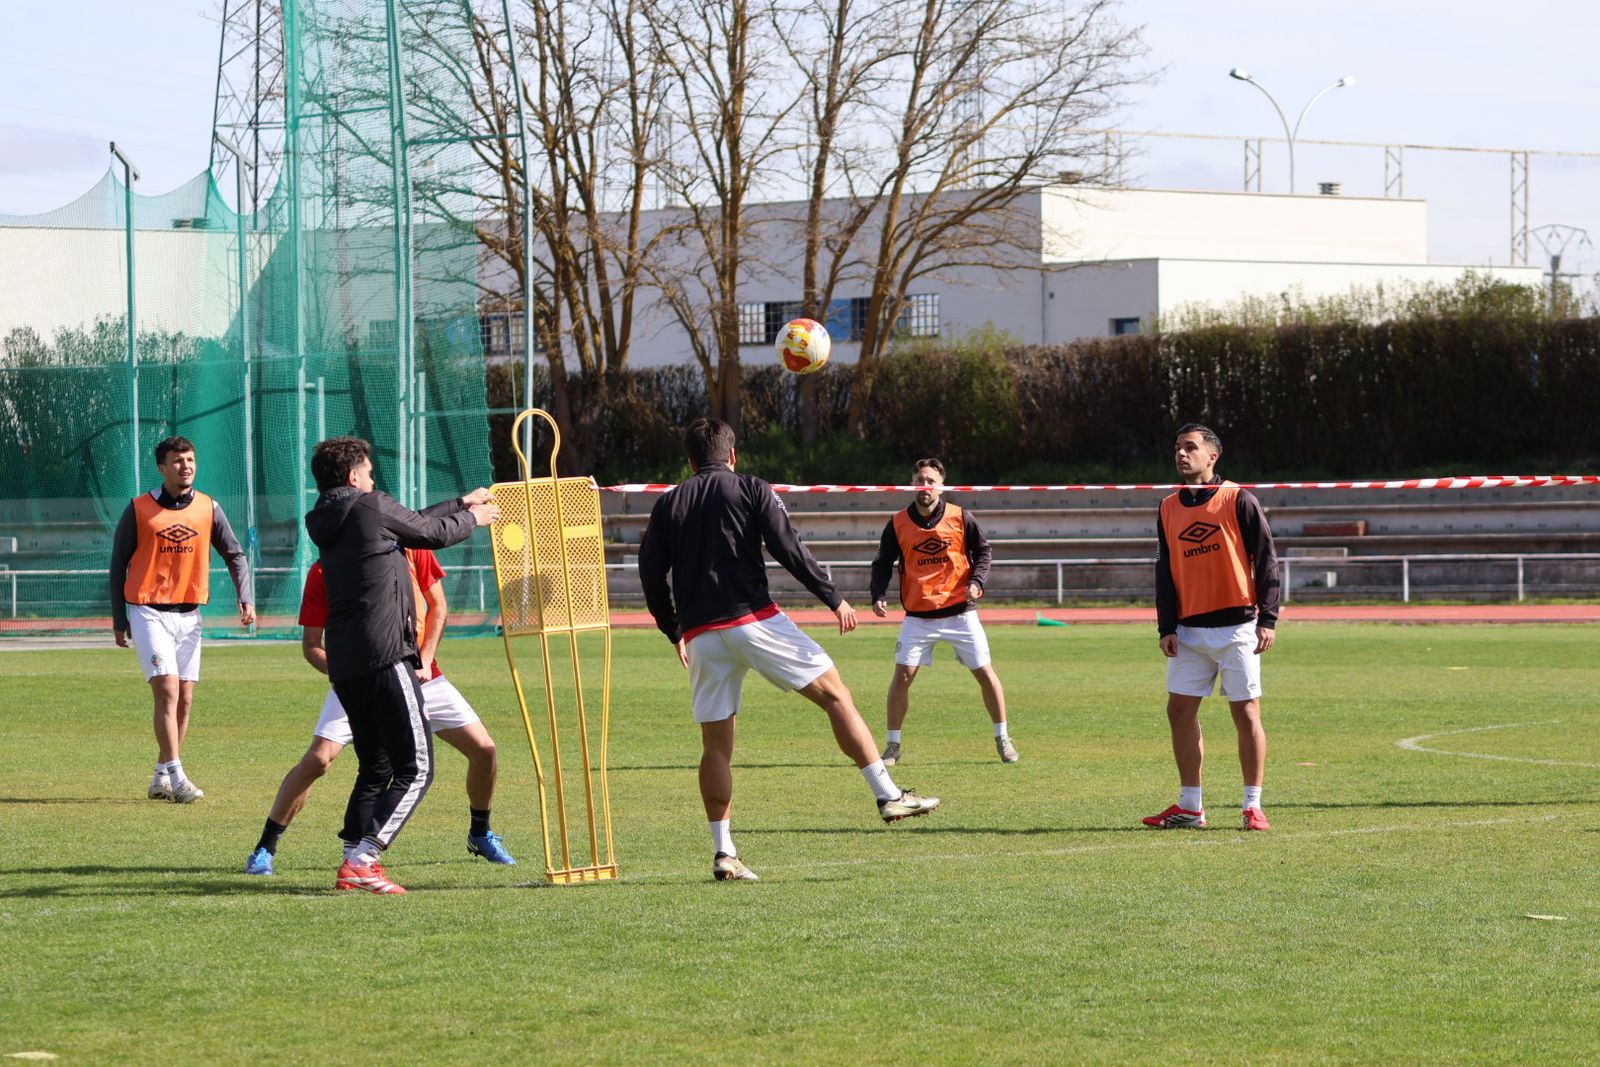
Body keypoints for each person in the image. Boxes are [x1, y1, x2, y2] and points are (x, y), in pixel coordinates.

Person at [638, 417, 939, 883]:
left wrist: (674, 629)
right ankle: (887, 795)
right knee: (836, 695)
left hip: (700, 634)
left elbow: (651, 575)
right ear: (732, 456)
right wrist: (833, 597)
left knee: (716, 748)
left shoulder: (667, 503)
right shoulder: (752, 488)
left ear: (690, 461)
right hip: (754, 619)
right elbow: (789, 548)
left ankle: (724, 852)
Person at [303, 436, 500, 894]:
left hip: (347, 665)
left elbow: (407, 525)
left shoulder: (333, 518)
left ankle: (350, 861)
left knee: (375, 768)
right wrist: (475, 517)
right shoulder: (369, 506)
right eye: (369, 472)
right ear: (354, 477)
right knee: (418, 768)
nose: (373, 479)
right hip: (386, 655)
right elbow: (431, 534)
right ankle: (365, 860)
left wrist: (458, 502)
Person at [244, 548, 515, 876]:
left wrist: (426, 659)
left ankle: (480, 833)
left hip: (423, 677)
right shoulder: (325, 569)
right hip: (363, 682)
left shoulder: (414, 549)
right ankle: (265, 847)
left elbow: (439, 607)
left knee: (484, 749)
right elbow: (312, 645)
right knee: (318, 759)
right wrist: (352, 673)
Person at [1145, 423, 1281, 832]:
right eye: (1178, 448)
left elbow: (1267, 559)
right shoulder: (1168, 506)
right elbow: (1164, 570)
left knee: (1246, 713)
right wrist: (1166, 626)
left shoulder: (1238, 499)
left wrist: (1269, 618)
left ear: (1212, 457)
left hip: (1237, 627)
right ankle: (1191, 806)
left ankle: (1252, 805)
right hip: (1188, 631)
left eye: (1190, 448)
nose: (1181, 455)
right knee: (1179, 711)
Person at [110, 435, 255, 803]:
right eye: (177, 460)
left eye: (190, 459)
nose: (185, 466)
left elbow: (235, 554)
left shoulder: (208, 508)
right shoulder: (139, 509)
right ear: (162, 468)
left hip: (189, 615)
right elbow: (117, 564)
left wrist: (245, 596)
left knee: (185, 699)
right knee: (167, 690)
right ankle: (179, 775)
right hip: (148, 611)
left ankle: (161, 775)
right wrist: (118, 618)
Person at [870, 458, 1017, 766]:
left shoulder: (961, 517)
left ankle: (1003, 738)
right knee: (902, 676)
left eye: (931, 481)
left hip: (960, 612)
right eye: (920, 480)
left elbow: (984, 551)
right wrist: (878, 593)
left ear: (941, 484)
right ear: (912, 482)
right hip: (918, 616)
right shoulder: (897, 523)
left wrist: (977, 581)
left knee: (985, 673)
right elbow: (883, 562)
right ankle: (893, 745)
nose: (925, 486)